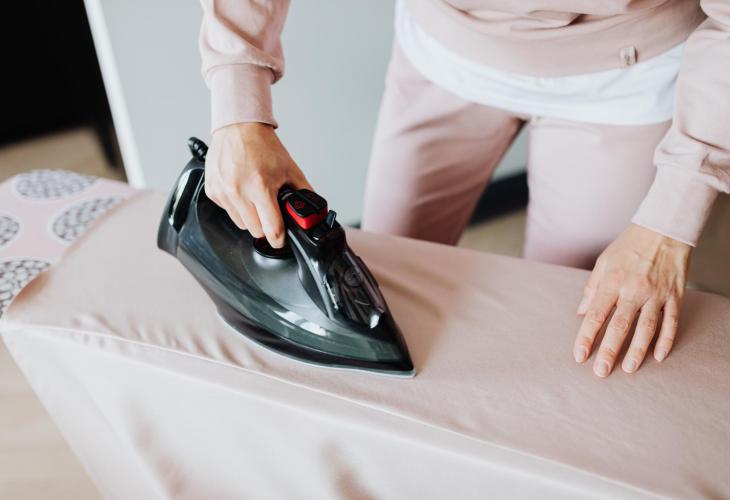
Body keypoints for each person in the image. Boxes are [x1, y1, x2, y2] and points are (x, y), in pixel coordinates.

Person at [197, 0, 729, 378]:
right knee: (384, 274)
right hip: (444, 48)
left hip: (624, 71)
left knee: (568, 321)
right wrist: (238, 105)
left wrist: (670, 221)